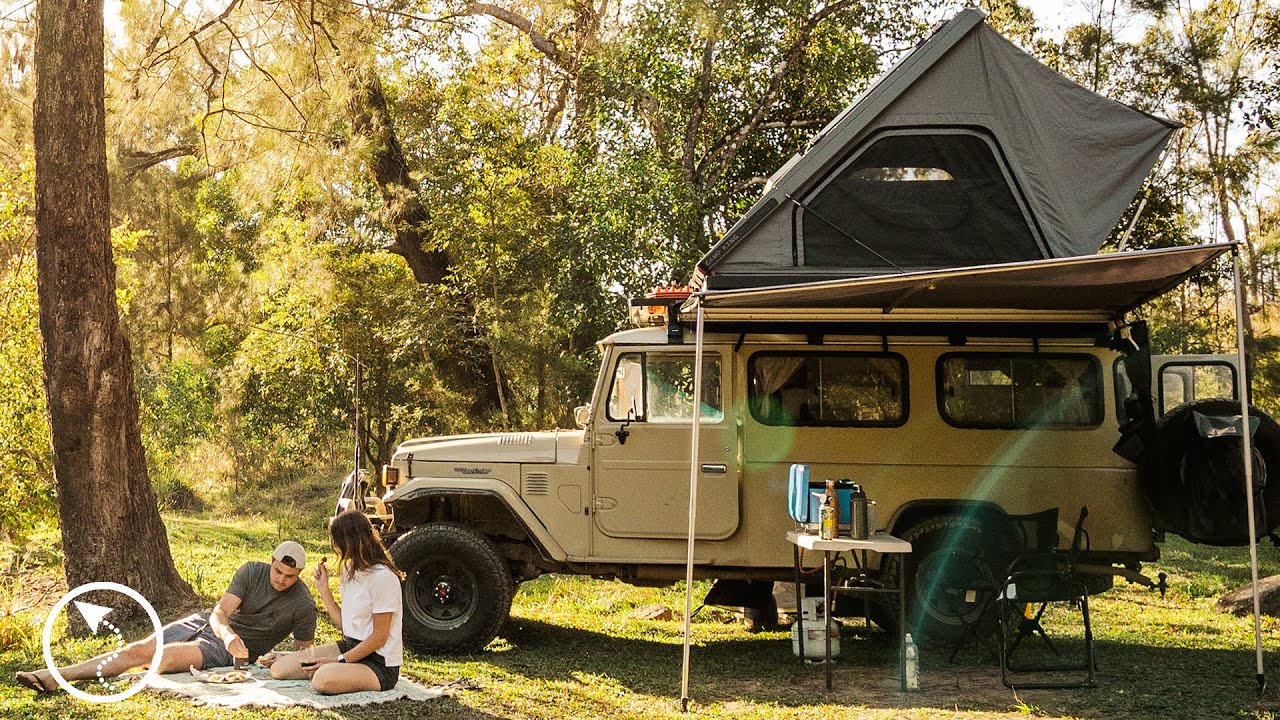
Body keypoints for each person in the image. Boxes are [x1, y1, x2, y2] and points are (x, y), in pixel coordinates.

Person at [15, 541, 318, 694]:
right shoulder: (252, 572)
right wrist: (227, 635)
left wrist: (277, 656)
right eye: (278, 571)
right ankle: (55, 677)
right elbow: (219, 613)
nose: (281, 580)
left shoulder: (303, 603)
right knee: (137, 650)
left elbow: (306, 653)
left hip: (224, 654)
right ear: (272, 562)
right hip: (210, 626)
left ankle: (120, 667)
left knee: (161, 657)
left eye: (290, 576)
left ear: (299, 575)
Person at [268, 510, 403, 694]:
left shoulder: (383, 578)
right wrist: (323, 588)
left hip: (378, 662)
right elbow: (346, 626)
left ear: (349, 541)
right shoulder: (350, 569)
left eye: (335, 540)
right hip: (350, 646)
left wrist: (339, 661)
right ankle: (329, 667)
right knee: (280, 669)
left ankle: (334, 669)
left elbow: (379, 637)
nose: (333, 545)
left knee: (322, 678)